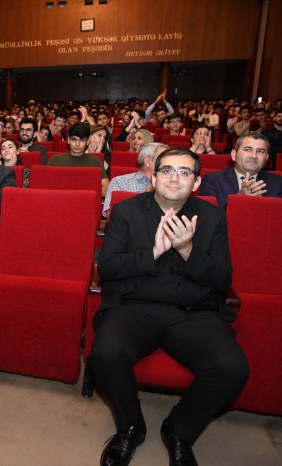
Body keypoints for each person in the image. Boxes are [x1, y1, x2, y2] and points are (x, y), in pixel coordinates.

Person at [92, 147, 249, 466]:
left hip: (193, 312)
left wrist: (188, 250)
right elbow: (106, 268)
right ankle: (131, 426)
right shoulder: (126, 211)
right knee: (105, 352)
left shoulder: (213, 216)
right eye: (167, 170)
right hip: (136, 306)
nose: (174, 178)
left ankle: (179, 430)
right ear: (153, 175)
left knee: (233, 368)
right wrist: (153, 251)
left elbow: (221, 279)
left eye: (184, 172)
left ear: (197, 182)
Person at [199, 132, 282, 209]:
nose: (254, 156)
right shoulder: (212, 180)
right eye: (248, 149)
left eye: (260, 151)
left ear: (266, 158)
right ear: (234, 155)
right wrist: (239, 199)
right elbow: (209, 218)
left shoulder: (278, 183)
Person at [102, 143, 168, 217]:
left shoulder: (171, 185)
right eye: (163, 158)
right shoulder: (120, 182)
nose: (169, 163)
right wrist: (145, 198)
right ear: (148, 162)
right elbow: (112, 219)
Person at [48, 122, 109, 196]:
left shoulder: (95, 161)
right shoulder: (56, 160)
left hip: (86, 201)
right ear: (68, 140)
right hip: (60, 200)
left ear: (87, 142)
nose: (77, 144)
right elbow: (47, 186)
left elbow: (105, 189)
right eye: (74, 139)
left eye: (82, 140)